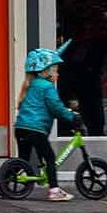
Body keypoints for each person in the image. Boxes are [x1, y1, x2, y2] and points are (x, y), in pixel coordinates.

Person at [14, 46, 82, 202]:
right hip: (36, 129)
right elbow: (55, 107)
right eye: (55, 70)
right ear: (46, 71)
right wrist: (71, 117)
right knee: (49, 158)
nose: (57, 74)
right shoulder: (47, 87)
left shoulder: (30, 85)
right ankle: (54, 190)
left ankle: (7, 181)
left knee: (23, 159)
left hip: (21, 128)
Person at [55, 0, 107, 137]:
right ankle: (87, 130)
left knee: (84, 91)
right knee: (84, 92)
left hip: (85, 47)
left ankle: (88, 132)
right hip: (83, 45)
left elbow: (90, 17)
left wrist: (81, 49)